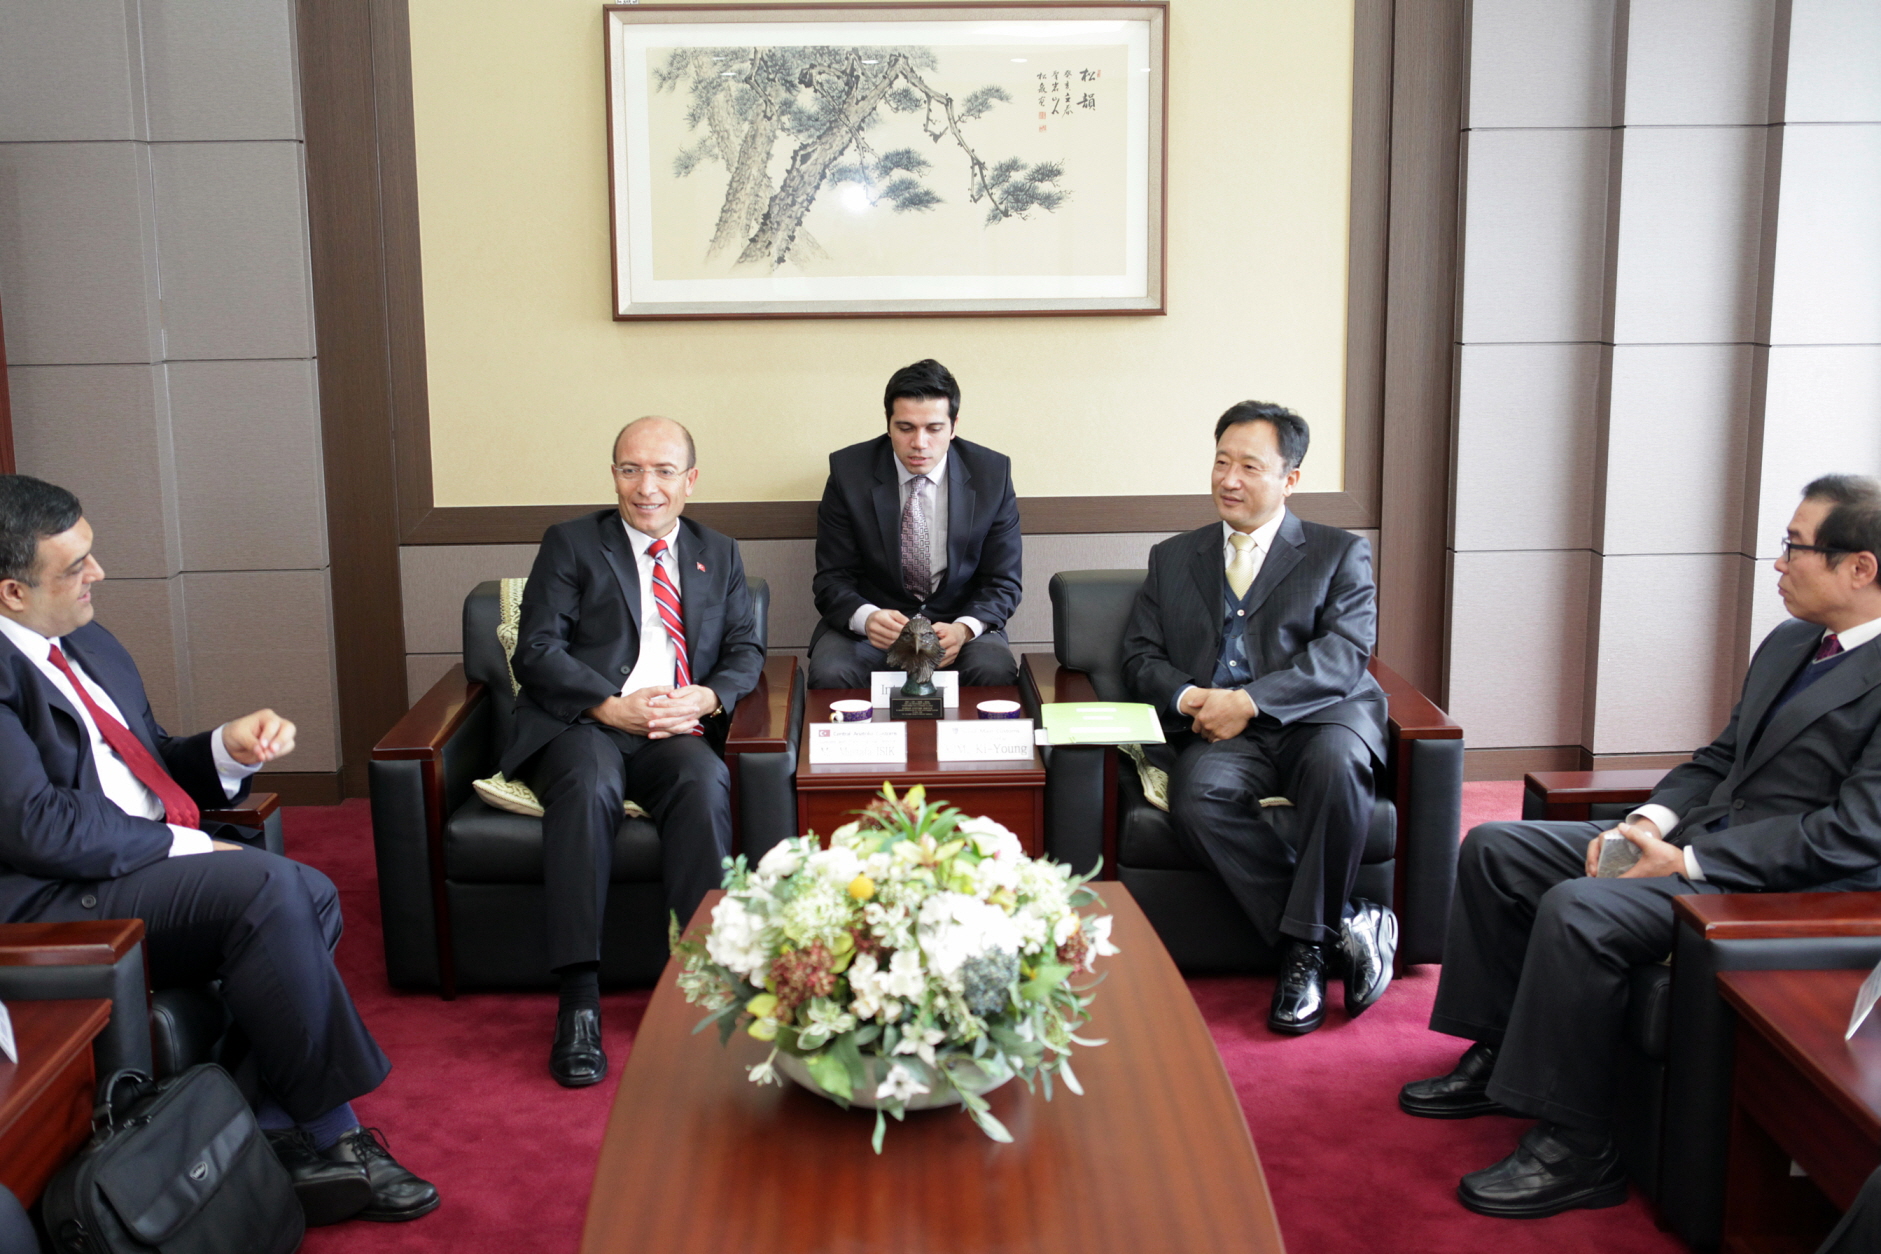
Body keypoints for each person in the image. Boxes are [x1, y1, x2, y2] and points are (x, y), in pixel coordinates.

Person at [1401, 473, 1881, 1219]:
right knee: (1497, 849)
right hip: (1697, 842)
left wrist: (1689, 862)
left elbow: (1852, 834)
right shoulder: (1792, 641)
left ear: (1860, 567)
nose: (1778, 562)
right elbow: (1718, 759)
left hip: (1777, 886)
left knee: (1579, 909)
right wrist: (1650, 824)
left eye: (1794, 547)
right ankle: (1500, 1058)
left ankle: (1578, 1148)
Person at [0, 475, 438, 1227]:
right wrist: (173, 842)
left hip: (136, 858)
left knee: (310, 893)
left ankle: (268, 1125)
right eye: (75, 567)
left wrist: (224, 751)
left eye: (91, 553)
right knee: (268, 891)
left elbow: (146, 757)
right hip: (55, 895)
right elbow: (35, 825)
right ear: (12, 592)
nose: (99, 573)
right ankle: (333, 1137)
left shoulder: (85, 640)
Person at [1121, 401, 1395, 1036]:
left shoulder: (1338, 552)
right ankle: (1344, 924)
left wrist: (1249, 700)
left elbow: (1343, 655)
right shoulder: (1174, 556)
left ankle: (1303, 954)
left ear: (1290, 478)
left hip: (1321, 718)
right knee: (1197, 796)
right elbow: (1140, 656)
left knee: (1337, 768)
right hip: (1221, 731)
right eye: (1222, 462)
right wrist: (1192, 698)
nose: (1229, 479)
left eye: (1249, 466)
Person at [504, 416, 763, 1088]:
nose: (646, 487)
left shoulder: (719, 552)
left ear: (690, 480)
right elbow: (537, 649)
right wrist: (605, 702)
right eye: (630, 469)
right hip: (581, 724)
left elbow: (745, 650)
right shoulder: (571, 543)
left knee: (703, 784)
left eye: (663, 471)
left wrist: (707, 698)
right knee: (588, 784)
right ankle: (579, 1001)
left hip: (671, 729)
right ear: (614, 474)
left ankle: (702, 986)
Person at [809, 358, 1022, 689]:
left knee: (994, 671)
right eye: (905, 428)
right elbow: (832, 577)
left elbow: (1003, 581)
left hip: (954, 624)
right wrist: (866, 618)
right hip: (876, 630)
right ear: (888, 424)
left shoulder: (991, 475)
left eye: (934, 429)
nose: (919, 443)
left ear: (953, 426)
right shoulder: (849, 473)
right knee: (831, 673)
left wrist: (964, 629)